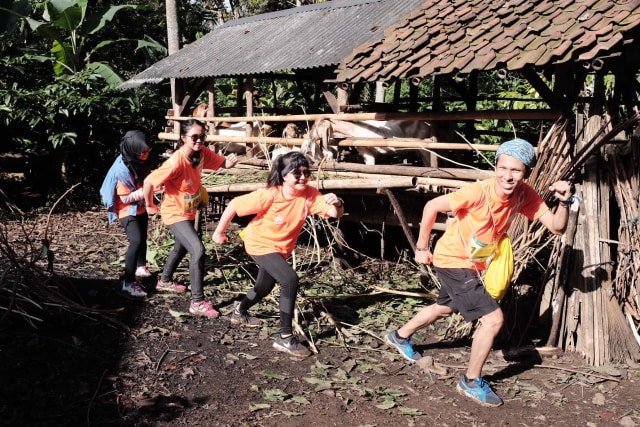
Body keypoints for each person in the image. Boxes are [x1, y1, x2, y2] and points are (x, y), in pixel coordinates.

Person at [385, 138, 574, 407]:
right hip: (452, 259)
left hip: (472, 262)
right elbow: (432, 207)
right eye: (503, 168)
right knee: (494, 320)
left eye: (516, 170)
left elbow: (556, 227)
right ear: (496, 165)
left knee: (446, 307)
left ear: (526, 173)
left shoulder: (524, 194)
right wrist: (421, 247)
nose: (508, 176)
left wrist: (564, 202)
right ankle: (471, 381)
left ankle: (399, 336)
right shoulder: (477, 192)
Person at [212, 151, 345, 357]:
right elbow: (234, 205)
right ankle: (284, 338)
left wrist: (337, 202)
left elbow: (335, 214)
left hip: (280, 249)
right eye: (296, 173)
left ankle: (239, 311)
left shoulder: (309, 194)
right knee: (289, 280)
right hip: (259, 243)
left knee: (264, 287)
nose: (302, 177)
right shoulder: (271, 194)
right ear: (284, 175)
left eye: (306, 172)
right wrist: (219, 232)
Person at [143, 118, 238, 318]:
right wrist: (149, 205)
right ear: (183, 138)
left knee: (181, 247)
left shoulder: (201, 153)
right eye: (194, 137)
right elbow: (148, 181)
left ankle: (165, 280)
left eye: (202, 136)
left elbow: (222, 163)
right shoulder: (176, 160)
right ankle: (197, 301)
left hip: (188, 211)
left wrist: (229, 162)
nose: (199, 140)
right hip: (174, 213)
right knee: (198, 250)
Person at [100, 130, 154, 298]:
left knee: (143, 236)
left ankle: (141, 267)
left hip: (139, 207)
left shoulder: (136, 160)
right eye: (143, 152)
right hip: (126, 209)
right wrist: (147, 191)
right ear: (134, 150)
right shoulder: (121, 170)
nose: (146, 154)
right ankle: (128, 284)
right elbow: (125, 198)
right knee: (135, 241)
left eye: (148, 151)